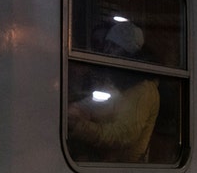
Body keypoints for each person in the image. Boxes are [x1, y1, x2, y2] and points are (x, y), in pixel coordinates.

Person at [67, 22, 160, 162]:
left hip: (125, 171)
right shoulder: (117, 82)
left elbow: (122, 136)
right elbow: (94, 104)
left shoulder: (143, 89)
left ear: (127, 52)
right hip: (107, 164)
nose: (108, 51)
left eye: (114, 46)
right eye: (108, 45)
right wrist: (75, 109)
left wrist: (79, 126)